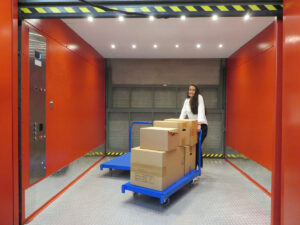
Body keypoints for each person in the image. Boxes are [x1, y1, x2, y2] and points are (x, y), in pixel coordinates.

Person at [179, 84, 208, 169]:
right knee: (193, 146)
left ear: (196, 91)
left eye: (193, 90)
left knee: (196, 146)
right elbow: (183, 113)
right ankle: (194, 167)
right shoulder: (187, 100)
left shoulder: (199, 97)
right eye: (189, 89)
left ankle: (196, 168)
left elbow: (201, 110)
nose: (191, 91)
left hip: (201, 126)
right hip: (192, 127)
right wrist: (178, 124)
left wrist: (199, 123)